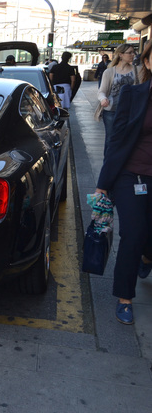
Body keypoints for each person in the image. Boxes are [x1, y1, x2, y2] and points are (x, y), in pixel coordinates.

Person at [94, 41, 152, 325]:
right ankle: (125, 297)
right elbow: (116, 140)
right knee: (133, 233)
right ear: (148, 62)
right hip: (133, 175)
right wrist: (104, 183)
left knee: (147, 236)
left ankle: (146, 256)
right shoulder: (134, 94)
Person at [98, 44, 139, 154]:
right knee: (111, 139)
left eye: (133, 52)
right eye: (129, 52)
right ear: (121, 55)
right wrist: (103, 99)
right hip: (111, 110)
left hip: (129, 111)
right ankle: (108, 164)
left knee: (127, 139)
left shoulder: (136, 71)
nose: (132, 55)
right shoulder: (110, 72)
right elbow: (102, 91)